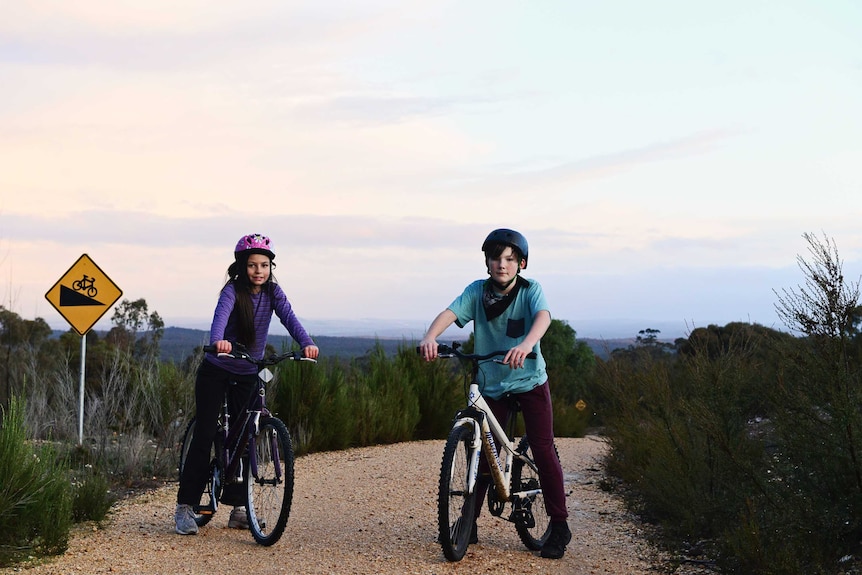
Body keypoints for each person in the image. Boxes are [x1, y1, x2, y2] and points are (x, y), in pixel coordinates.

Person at [418, 228, 572, 559]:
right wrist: (430, 335)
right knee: (486, 452)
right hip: (492, 383)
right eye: (495, 258)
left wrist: (527, 344)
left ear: (521, 263)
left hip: (529, 380)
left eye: (509, 259)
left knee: (542, 448)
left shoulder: (531, 291)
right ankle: (468, 522)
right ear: (487, 262)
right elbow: (451, 312)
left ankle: (559, 525)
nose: (501, 265)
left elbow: (543, 317)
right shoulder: (477, 292)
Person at [175, 233, 319, 535]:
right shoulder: (231, 292)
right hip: (217, 369)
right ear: (242, 266)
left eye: (264, 265)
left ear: (271, 267)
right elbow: (220, 318)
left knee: (245, 438)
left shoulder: (274, 294)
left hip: (248, 371)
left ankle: (241, 510)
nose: (259, 271)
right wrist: (218, 342)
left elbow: (290, 319)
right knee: (204, 435)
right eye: (253, 265)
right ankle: (185, 508)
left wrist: (306, 343)